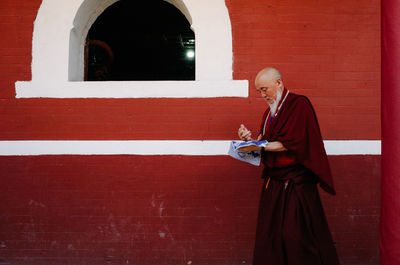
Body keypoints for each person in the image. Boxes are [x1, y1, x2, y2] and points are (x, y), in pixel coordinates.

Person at [238, 67, 341, 265]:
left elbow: (290, 142)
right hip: (274, 183)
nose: (263, 95)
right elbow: (264, 142)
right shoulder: (268, 114)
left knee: (296, 235)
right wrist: (248, 139)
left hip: (295, 184)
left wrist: (260, 144)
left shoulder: (299, 104)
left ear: (278, 82)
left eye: (265, 89)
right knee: (272, 236)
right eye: (259, 91)